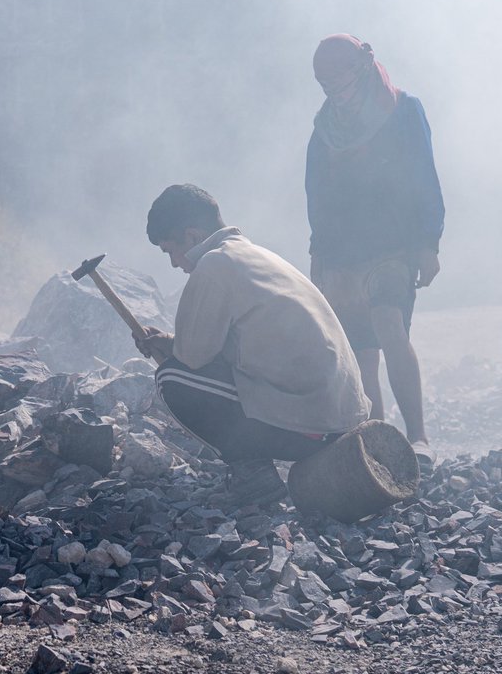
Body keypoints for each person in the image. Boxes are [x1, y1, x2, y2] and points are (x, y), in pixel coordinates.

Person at [134, 184, 370, 506]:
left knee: (172, 379)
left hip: (311, 427)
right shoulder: (259, 256)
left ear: (191, 236)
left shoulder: (214, 265)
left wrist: (170, 351)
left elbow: (191, 358)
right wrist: (171, 343)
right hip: (341, 418)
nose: (175, 263)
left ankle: (253, 478)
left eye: (170, 250)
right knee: (186, 371)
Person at [304, 34, 445, 458]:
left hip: (394, 244)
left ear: (362, 67)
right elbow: (317, 195)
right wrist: (318, 256)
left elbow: (424, 176)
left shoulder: (403, 110)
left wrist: (429, 243)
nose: (333, 87)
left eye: (339, 75)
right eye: (324, 80)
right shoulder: (324, 130)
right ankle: (379, 442)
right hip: (342, 253)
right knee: (362, 351)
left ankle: (418, 436)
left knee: (389, 324)